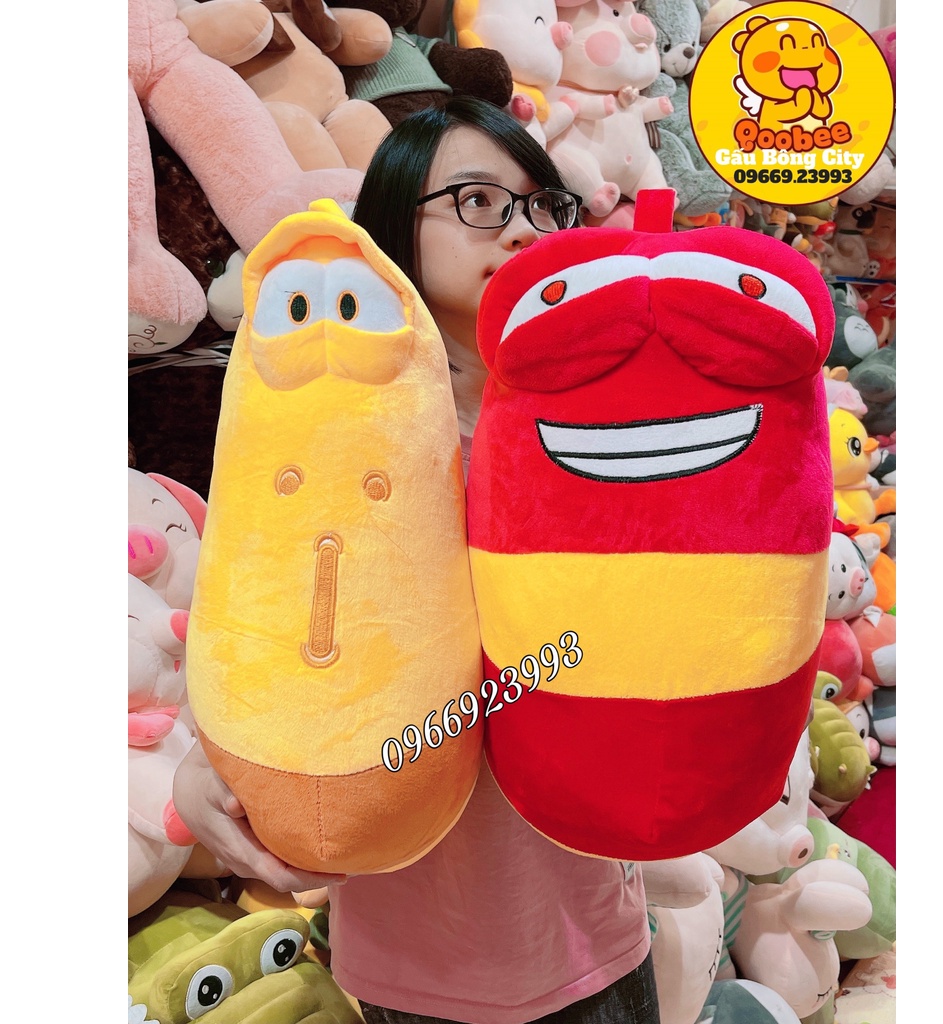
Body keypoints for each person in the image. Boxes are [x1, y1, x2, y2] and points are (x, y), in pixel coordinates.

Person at [173, 95, 658, 1024]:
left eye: (543, 203)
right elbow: (269, 620)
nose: (521, 228)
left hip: (585, 919)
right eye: (477, 200)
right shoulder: (326, 433)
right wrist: (208, 768)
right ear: (393, 226)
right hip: (413, 934)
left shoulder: (585, 432)